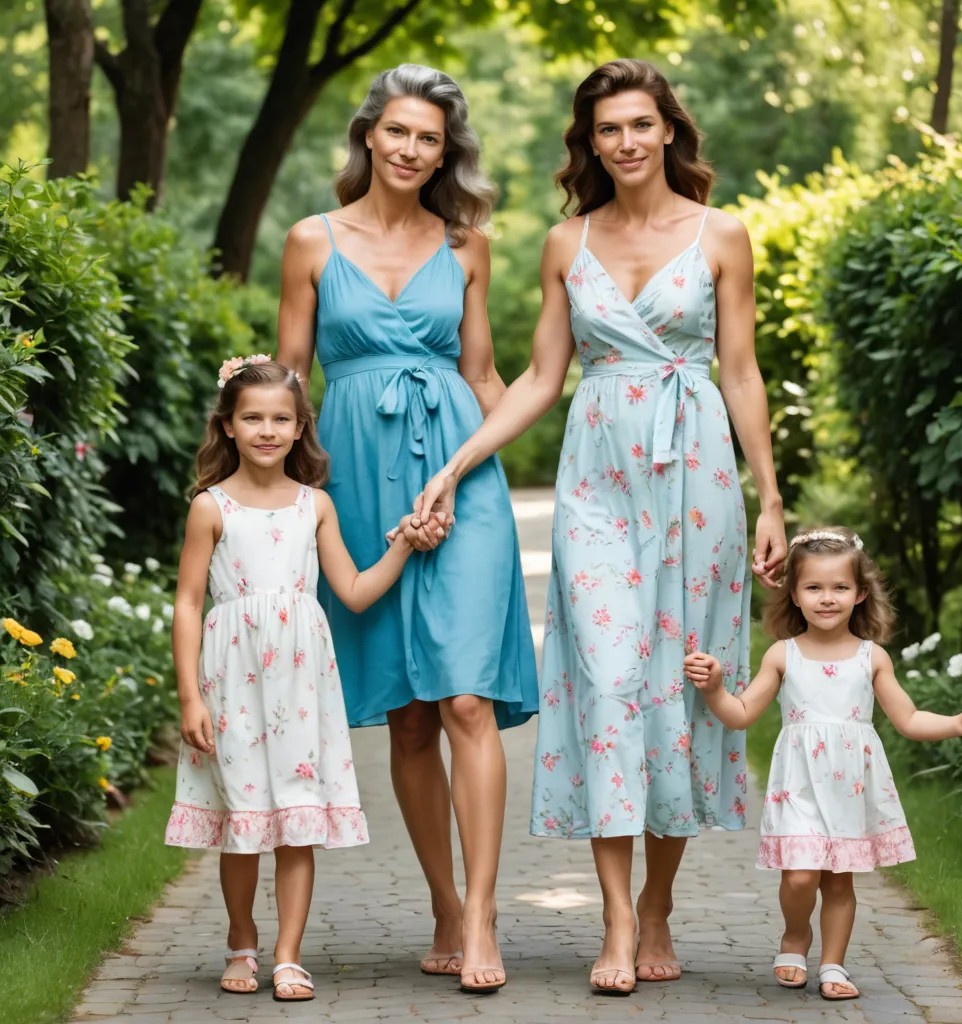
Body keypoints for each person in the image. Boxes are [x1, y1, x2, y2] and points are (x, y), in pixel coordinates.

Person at [413, 58, 787, 995]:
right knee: (610, 682)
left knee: (678, 686)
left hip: (696, 471)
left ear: (669, 131)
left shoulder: (722, 235)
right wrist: (458, 464)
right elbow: (542, 378)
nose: (624, 141)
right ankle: (618, 923)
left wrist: (771, 496)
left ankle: (660, 899)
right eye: (606, 129)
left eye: (640, 125)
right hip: (596, 477)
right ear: (590, 143)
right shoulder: (562, 242)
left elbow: (740, 373)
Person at [276, 64, 538, 993]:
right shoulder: (312, 241)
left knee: (466, 697)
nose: (409, 149)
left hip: (460, 481)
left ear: (445, 152)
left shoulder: (468, 245)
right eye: (396, 132)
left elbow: (485, 375)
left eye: (428, 138)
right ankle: (441, 900)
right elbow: (288, 381)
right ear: (369, 136)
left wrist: (502, 457)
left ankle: (484, 914)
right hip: (354, 480)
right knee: (411, 713)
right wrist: (262, 500)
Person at [165, 356, 417, 1002]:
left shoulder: (315, 507)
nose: (267, 430)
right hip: (233, 682)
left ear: (302, 428)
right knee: (243, 819)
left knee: (296, 821)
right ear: (226, 426)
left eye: (281, 418)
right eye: (252, 418)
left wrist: (404, 545)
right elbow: (189, 603)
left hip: (301, 688)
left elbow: (355, 592)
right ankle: (242, 942)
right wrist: (190, 695)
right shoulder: (210, 508)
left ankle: (288, 955)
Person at [684, 527, 962, 1000]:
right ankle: (795, 934)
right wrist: (715, 689)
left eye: (839, 588)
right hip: (800, 786)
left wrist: (957, 722)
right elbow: (743, 714)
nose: (826, 598)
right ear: (794, 593)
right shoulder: (782, 655)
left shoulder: (871, 657)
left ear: (860, 593)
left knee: (837, 881)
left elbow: (908, 718)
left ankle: (833, 964)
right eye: (813, 587)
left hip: (850, 787)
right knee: (801, 874)